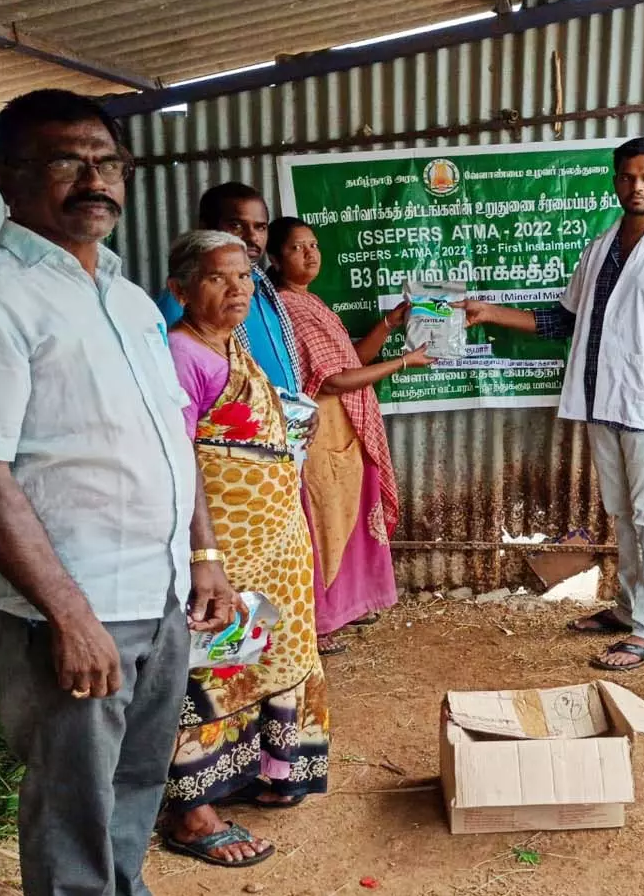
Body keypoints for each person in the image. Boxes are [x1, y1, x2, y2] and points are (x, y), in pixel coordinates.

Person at [0, 89, 236, 896]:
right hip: (73, 612)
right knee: (72, 810)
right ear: (8, 178)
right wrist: (70, 615)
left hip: (158, 594)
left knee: (133, 789)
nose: (95, 180)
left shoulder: (128, 300)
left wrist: (203, 556)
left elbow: (172, 437)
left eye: (107, 162)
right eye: (66, 161)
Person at [461, 136, 644, 671]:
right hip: (604, 404)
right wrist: (489, 312)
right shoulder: (601, 247)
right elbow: (564, 319)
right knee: (623, 514)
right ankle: (629, 609)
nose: (637, 187)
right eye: (628, 177)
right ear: (615, 182)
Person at [157, 230, 331, 867]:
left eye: (244, 277)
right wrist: (206, 557)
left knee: (270, 648)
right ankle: (191, 811)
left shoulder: (231, 343)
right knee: (213, 660)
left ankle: (267, 768)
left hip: (273, 539)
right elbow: (180, 456)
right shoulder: (182, 353)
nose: (237, 289)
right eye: (217, 278)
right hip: (223, 545)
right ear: (179, 291)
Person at [266, 218, 433, 654]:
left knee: (350, 519)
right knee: (323, 524)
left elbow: (353, 361)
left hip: (347, 426)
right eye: (297, 248)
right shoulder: (287, 307)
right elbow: (332, 381)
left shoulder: (311, 301)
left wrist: (389, 324)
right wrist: (404, 363)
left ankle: (349, 606)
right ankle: (319, 622)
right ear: (275, 258)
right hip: (322, 429)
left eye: (314, 245)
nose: (310, 254)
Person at [155, 182, 304, 395]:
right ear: (206, 227)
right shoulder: (183, 301)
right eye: (236, 225)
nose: (252, 237)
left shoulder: (261, 286)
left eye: (260, 227)